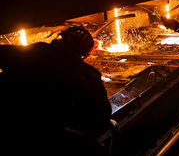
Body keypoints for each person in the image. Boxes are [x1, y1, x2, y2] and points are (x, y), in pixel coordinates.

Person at [0, 26, 111, 155]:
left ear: (58, 39)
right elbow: (101, 119)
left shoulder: (32, 51)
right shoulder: (88, 75)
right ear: (85, 54)